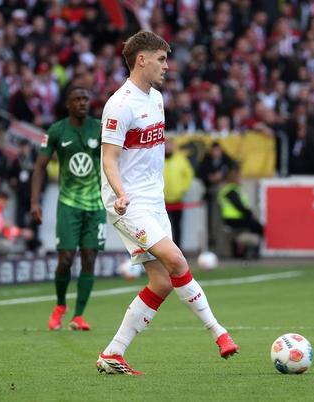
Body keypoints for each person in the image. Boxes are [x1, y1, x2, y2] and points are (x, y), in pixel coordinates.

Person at [97, 31, 238, 375]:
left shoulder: (157, 99)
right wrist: (121, 194)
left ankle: (113, 353)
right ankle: (219, 332)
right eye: (161, 59)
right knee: (176, 260)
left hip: (154, 201)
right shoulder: (120, 105)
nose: (166, 66)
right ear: (141, 60)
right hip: (127, 203)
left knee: (161, 282)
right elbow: (109, 158)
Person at [31, 85, 106, 331]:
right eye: (77, 99)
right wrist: (35, 202)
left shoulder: (99, 128)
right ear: (68, 104)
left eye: (85, 98)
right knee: (65, 259)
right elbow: (39, 167)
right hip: (68, 204)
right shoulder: (57, 130)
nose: (82, 102)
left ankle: (79, 315)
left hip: (96, 205)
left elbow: (114, 158)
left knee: (89, 257)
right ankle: (60, 305)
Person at [218, 165, 264, 259]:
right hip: (234, 219)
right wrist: (250, 214)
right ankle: (253, 250)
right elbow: (239, 206)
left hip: (236, 219)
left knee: (256, 226)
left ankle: (246, 249)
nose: (241, 179)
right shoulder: (230, 191)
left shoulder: (233, 189)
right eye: (239, 177)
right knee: (258, 227)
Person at [163, 137, 194, 244]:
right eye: (166, 144)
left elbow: (189, 174)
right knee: (163, 227)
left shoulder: (181, 159)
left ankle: (178, 248)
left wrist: (183, 189)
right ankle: (165, 250)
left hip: (177, 199)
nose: (168, 147)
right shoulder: (158, 158)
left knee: (177, 226)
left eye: (170, 144)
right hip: (161, 200)